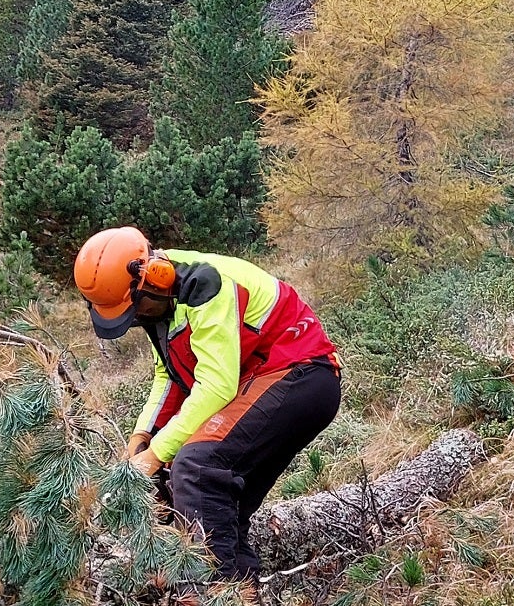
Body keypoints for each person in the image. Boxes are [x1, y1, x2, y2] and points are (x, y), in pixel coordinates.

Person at [73, 228, 342, 581]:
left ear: (154, 276)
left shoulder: (205, 284)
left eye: (137, 309)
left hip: (302, 374)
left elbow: (217, 386)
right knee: (211, 504)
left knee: (196, 468)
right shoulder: (158, 308)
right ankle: (241, 605)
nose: (139, 319)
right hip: (259, 381)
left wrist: (156, 455)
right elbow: (168, 376)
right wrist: (143, 437)